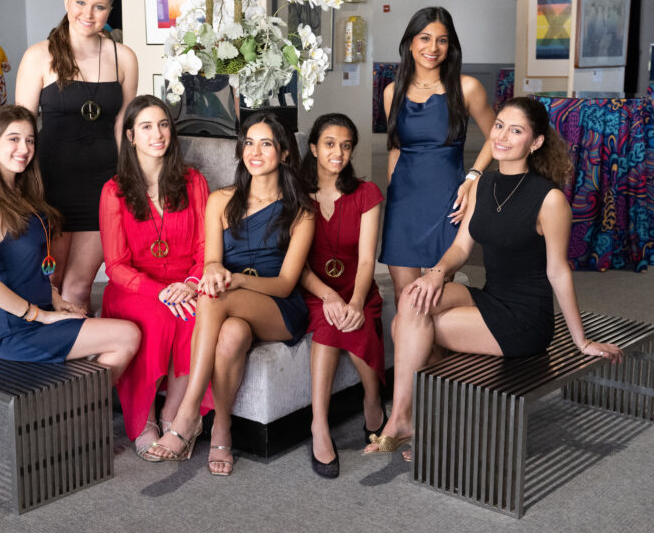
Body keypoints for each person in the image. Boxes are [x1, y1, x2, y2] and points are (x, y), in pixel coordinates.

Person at [364, 97, 623, 456]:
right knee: (413, 298)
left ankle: (409, 418)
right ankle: (418, 420)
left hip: (525, 319)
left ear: (535, 143)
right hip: (491, 296)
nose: (501, 136)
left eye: (515, 131)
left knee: (407, 329)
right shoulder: (483, 185)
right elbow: (460, 248)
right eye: (499, 125)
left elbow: (558, 271)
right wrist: (436, 275)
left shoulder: (549, 200)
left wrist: (580, 341)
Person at [146, 112, 314, 475]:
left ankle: (188, 414)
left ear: (284, 153)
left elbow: (286, 283)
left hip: (279, 307)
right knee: (232, 334)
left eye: (266, 143)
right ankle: (222, 429)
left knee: (212, 296)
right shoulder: (222, 200)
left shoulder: (301, 213)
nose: (255, 151)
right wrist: (215, 272)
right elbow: (211, 263)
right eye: (248, 143)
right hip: (231, 300)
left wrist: (233, 280)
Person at [0, 105, 140, 375]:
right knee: (126, 335)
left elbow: (29, 269)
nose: (23, 149)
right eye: (13, 139)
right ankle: (84, 407)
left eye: (29, 140)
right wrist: (42, 315)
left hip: (43, 310)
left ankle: (81, 404)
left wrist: (56, 299)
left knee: (117, 332)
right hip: (16, 329)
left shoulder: (24, 194)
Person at [99, 95, 213, 460]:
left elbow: (205, 249)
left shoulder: (194, 181)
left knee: (196, 314)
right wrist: (160, 292)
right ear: (130, 136)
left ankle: (176, 414)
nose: (158, 134)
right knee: (159, 316)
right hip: (135, 288)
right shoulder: (114, 190)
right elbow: (115, 266)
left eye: (163, 124)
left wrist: (191, 284)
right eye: (146, 127)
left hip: (184, 283)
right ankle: (142, 420)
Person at [16, 0, 138, 313]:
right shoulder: (39, 56)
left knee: (79, 286)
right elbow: (22, 129)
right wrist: (15, 187)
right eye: (81, 3)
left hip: (103, 186)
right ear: (67, 3)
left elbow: (123, 128)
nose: (88, 13)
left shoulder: (124, 57)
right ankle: (51, 359)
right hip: (49, 185)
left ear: (109, 10)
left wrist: (130, 180)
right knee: (48, 285)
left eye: (99, 6)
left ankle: (81, 365)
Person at [380, 7, 496, 306]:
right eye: (425, 38)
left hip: (446, 198)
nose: (433, 48)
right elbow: (395, 148)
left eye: (442, 40)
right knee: (405, 298)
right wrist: (393, 195)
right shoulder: (392, 91)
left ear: (451, 46)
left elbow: (496, 136)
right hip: (403, 203)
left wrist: (473, 177)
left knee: (433, 298)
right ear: (410, 42)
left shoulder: (467, 87)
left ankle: (440, 354)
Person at [298, 113, 385, 478]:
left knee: (354, 321)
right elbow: (295, 263)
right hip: (314, 290)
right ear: (315, 147)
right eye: (330, 144)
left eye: (346, 145)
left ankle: (371, 398)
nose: (338, 152)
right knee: (329, 327)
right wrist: (328, 297)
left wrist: (354, 301)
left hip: (357, 288)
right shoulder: (297, 195)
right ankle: (320, 424)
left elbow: (367, 260)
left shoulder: (367, 193)